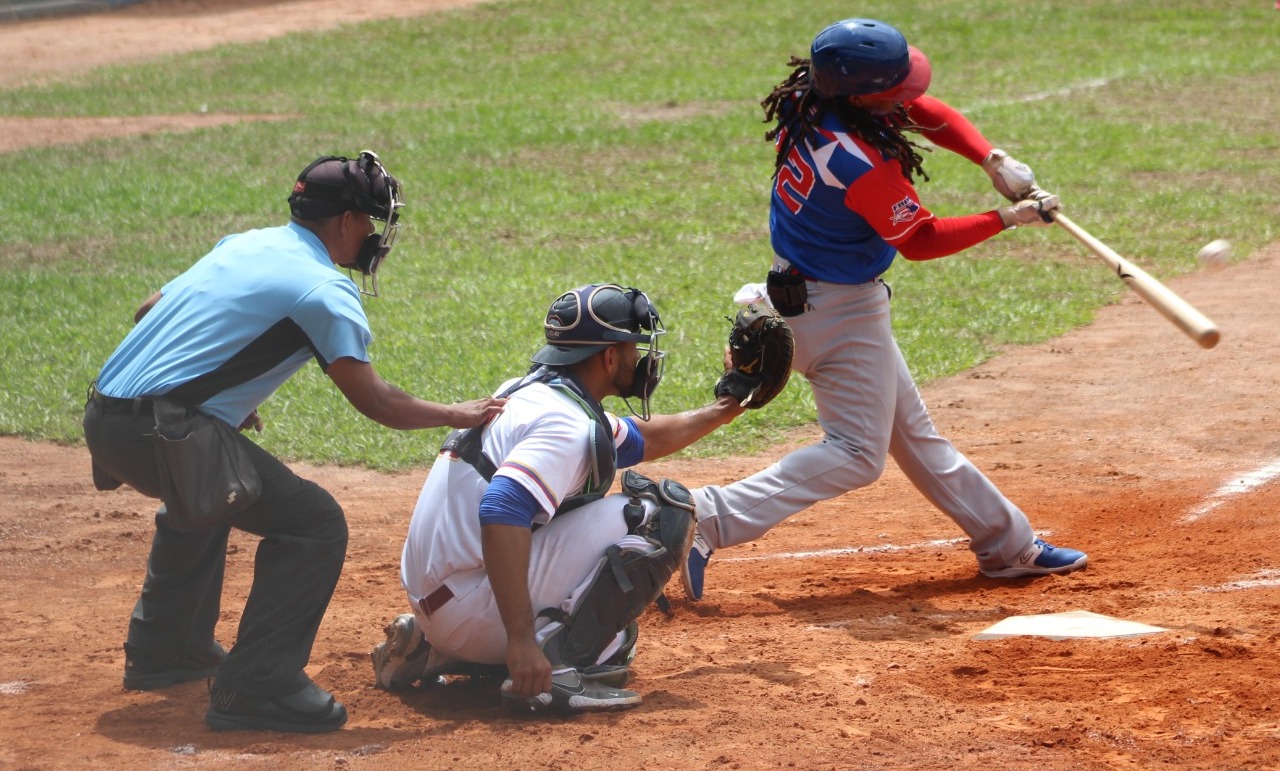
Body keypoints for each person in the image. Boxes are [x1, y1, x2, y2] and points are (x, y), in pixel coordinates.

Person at [82, 151, 505, 733]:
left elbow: (148, 310)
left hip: (105, 415)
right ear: (346, 221)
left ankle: (168, 649)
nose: (375, 235)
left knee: (215, 486)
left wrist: (214, 392)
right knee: (313, 523)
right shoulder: (323, 289)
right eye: (372, 221)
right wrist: (457, 412)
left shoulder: (246, 244)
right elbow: (376, 402)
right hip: (160, 432)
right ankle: (258, 686)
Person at [682, 18, 1088, 601]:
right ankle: (702, 516)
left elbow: (923, 108)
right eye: (893, 88)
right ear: (861, 94)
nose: (907, 96)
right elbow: (919, 240)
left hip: (803, 294)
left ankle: (1007, 546)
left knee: (912, 434)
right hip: (837, 312)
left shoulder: (812, 99)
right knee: (855, 455)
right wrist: (1008, 218)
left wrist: (990, 157)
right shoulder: (856, 162)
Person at [371, 283, 747, 712]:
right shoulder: (563, 426)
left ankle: (432, 651)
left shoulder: (533, 392)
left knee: (610, 626)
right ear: (608, 356)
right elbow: (501, 510)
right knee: (660, 520)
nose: (639, 358)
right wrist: (521, 641)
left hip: (440, 597)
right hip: (467, 604)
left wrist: (728, 404)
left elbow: (645, 437)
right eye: (632, 347)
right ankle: (552, 667)